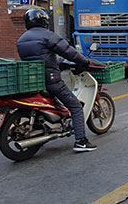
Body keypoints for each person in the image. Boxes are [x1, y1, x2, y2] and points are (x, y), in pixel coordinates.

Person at [17, 8, 101, 152]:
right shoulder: (47, 36)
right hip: (51, 80)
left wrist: (59, 62)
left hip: (33, 80)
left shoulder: (21, 39)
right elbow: (68, 51)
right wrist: (85, 62)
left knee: (58, 103)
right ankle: (81, 141)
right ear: (44, 21)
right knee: (75, 106)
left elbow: (40, 57)